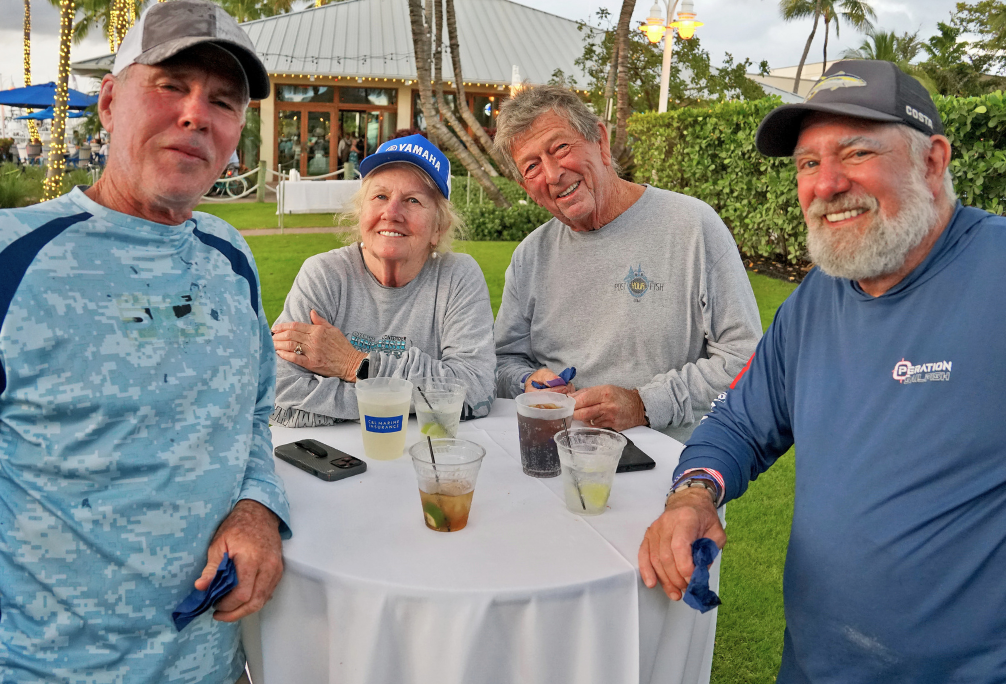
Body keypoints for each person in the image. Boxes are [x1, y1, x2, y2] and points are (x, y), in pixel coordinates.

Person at [639, 60, 1006, 682]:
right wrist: (693, 494)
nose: (826, 184)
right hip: (815, 664)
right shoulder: (817, 299)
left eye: (857, 153)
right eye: (808, 163)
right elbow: (739, 425)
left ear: (932, 162)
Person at [0, 2, 290, 681]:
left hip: (214, 666)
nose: (196, 115)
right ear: (109, 102)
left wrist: (257, 508)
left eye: (223, 102)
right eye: (171, 85)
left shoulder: (230, 255)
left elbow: (254, 414)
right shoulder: (14, 258)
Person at [492, 85, 761, 442]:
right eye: (532, 166)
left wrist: (644, 404)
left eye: (560, 148)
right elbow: (501, 362)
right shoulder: (530, 256)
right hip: (557, 454)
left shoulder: (692, 226)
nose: (553, 174)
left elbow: (745, 357)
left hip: (666, 461)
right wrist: (527, 382)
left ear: (601, 142)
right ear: (527, 188)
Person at [271, 133, 495, 426]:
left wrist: (355, 365)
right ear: (361, 212)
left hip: (424, 450)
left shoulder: (457, 277)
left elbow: (474, 390)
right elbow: (279, 391)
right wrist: (417, 400)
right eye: (380, 196)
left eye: (412, 200)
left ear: (438, 228)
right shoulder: (324, 274)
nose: (392, 213)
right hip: (329, 452)